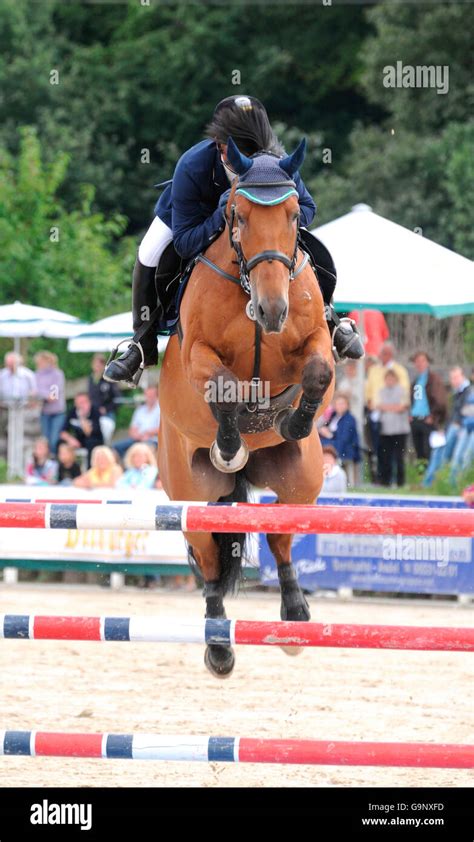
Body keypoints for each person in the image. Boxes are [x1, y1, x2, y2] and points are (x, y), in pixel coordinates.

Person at [104, 94, 362, 387]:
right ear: (220, 146)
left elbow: (308, 209)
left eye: (255, 152)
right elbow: (186, 242)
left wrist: (275, 223)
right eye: (241, 153)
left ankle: (331, 319)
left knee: (306, 246)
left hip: (259, 227)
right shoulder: (193, 166)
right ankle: (141, 344)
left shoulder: (275, 162)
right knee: (149, 252)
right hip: (194, 217)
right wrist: (223, 215)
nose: (252, 162)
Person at [423, 366, 472, 487]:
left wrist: (458, 425)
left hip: (463, 428)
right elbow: (452, 415)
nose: (454, 380)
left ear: (463, 376)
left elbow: (466, 413)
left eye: (456, 377)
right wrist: (444, 429)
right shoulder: (457, 393)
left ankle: (450, 483)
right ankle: (430, 481)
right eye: (452, 378)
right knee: (438, 451)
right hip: (454, 427)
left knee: (458, 456)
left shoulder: (468, 391)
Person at [409, 351, 447, 461]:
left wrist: (434, 416)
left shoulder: (433, 379)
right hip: (415, 420)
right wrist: (410, 414)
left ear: (427, 362)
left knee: (429, 451)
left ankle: (432, 476)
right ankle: (422, 476)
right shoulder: (416, 381)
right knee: (419, 453)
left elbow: (440, 400)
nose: (419, 364)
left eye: (422, 361)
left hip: (428, 420)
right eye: (417, 361)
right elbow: (413, 399)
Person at [377, 370, 410, 487]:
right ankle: (386, 481)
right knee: (386, 457)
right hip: (386, 430)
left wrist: (387, 407)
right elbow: (379, 406)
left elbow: (402, 407)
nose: (389, 381)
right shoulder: (381, 391)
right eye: (387, 379)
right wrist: (393, 407)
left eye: (392, 379)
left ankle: (400, 482)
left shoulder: (402, 391)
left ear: (396, 380)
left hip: (400, 429)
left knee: (399, 457)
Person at [319, 393, 360, 483]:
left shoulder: (349, 419)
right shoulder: (334, 416)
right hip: (334, 444)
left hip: (346, 448)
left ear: (347, 405)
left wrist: (329, 435)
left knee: (323, 447)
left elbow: (344, 438)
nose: (340, 406)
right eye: (338, 403)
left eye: (342, 403)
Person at [113, 385, 160, 458]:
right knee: (117, 447)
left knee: (144, 447)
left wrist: (148, 433)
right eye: (148, 395)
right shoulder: (140, 410)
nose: (150, 397)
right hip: (138, 438)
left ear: (157, 395)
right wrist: (137, 435)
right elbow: (132, 429)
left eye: (152, 395)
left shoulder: (160, 410)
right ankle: (128, 466)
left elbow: (162, 429)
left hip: (152, 439)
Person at [33, 351, 66, 453]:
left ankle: (54, 461)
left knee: (53, 440)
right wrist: (44, 394)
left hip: (57, 412)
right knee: (45, 441)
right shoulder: (37, 375)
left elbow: (53, 396)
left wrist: (40, 392)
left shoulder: (57, 374)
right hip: (45, 412)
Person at [59, 392, 103, 467]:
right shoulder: (72, 412)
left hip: (94, 439)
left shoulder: (95, 411)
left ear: (88, 402)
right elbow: (62, 431)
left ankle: (89, 469)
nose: (81, 405)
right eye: (78, 403)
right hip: (79, 440)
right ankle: (64, 469)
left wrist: (82, 417)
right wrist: (70, 439)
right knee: (60, 443)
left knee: (90, 443)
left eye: (83, 402)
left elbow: (88, 432)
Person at [87, 353, 121, 445]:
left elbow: (117, 399)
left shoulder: (109, 378)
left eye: (99, 365)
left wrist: (106, 408)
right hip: (94, 414)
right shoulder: (91, 379)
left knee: (105, 439)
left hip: (107, 415)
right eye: (95, 364)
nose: (96, 367)